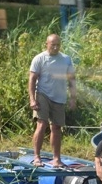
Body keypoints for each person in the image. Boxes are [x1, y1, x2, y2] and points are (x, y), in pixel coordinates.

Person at [29, 33, 76, 168]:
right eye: (52, 45)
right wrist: (32, 99)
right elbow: (32, 79)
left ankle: (57, 159)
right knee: (42, 124)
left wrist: (73, 98)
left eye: (58, 45)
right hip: (42, 94)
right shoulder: (39, 58)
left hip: (59, 97)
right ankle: (37, 157)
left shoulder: (66, 59)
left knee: (56, 127)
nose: (55, 48)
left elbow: (72, 79)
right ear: (47, 44)